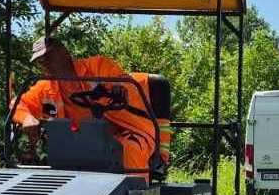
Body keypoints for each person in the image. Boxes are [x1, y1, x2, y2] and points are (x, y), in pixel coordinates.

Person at [12, 37, 170, 171]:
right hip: (81, 140)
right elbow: (18, 104)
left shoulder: (98, 66)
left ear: (64, 53)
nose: (45, 64)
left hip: (127, 131)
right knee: (56, 157)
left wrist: (118, 88)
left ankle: (135, 194)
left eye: (48, 57)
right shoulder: (45, 87)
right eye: (40, 61)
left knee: (127, 150)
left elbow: (121, 82)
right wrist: (26, 118)